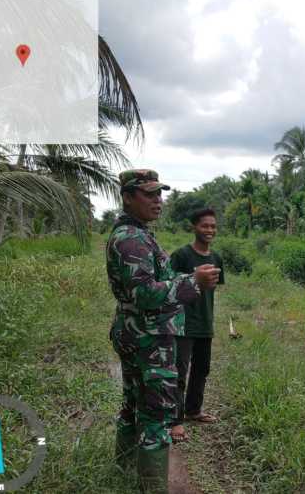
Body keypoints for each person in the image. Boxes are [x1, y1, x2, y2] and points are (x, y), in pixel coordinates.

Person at [106, 169, 221, 493]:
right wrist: (191, 282)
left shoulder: (138, 233)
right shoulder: (131, 239)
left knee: (133, 405)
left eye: (160, 193)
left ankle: (123, 472)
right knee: (155, 415)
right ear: (128, 197)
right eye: (149, 194)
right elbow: (143, 294)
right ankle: (151, 487)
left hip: (139, 333)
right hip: (148, 338)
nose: (158, 200)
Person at [170, 208, 225, 441]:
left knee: (201, 370)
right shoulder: (181, 255)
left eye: (213, 226)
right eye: (205, 225)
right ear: (194, 227)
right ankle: (175, 420)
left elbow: (213, 290)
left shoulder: (216, 258)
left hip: (205, 322)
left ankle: (194, 410)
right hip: (183, 323)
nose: (210, 230)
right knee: (179, 372)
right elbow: (169, 286)